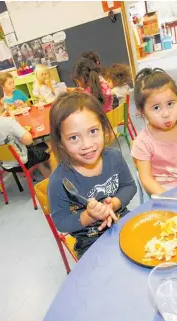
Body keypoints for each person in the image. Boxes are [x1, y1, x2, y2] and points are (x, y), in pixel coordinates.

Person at [48, 92, 137, 258]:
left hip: (122, 221)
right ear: (60, 142)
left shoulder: (114, 157)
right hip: (90, 243)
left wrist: (114, 204)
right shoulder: (59, 181)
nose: (87, 145)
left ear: (104, 128)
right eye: (74, 137)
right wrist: (89, 215)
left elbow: (129, 186)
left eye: (93, 131)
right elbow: (61, 221)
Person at [0, 79, 51, 178]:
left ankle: (42, 171)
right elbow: (28, 141)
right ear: (2, 100)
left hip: (5, 164)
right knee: (52, 143)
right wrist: (13, 121)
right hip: (22, 161)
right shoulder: (9, 122)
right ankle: (54, 178)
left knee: (31, 149)